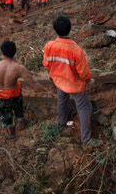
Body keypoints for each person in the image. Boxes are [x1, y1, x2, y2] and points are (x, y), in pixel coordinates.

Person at [43, 16, 100, 146]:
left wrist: (50, 75)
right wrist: (89, 80)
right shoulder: (76, 50)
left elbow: (47, 64)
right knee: (84, 108)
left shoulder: (49, 46)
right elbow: (83, 72)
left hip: (58, 81)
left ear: (55, 30)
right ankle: (86, 139)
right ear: (70, 29)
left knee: (62, 101)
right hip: (74, 85)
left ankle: (62, 122)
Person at [0, 40, 46, 134]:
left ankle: (9, 127)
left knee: (5, 113)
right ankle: (20, 122)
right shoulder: (19, 68)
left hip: (0, 97)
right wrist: (45, 89)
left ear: (2, 52)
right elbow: (32, 83)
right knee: (18, 109)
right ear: (15, 52)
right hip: (13, 95)